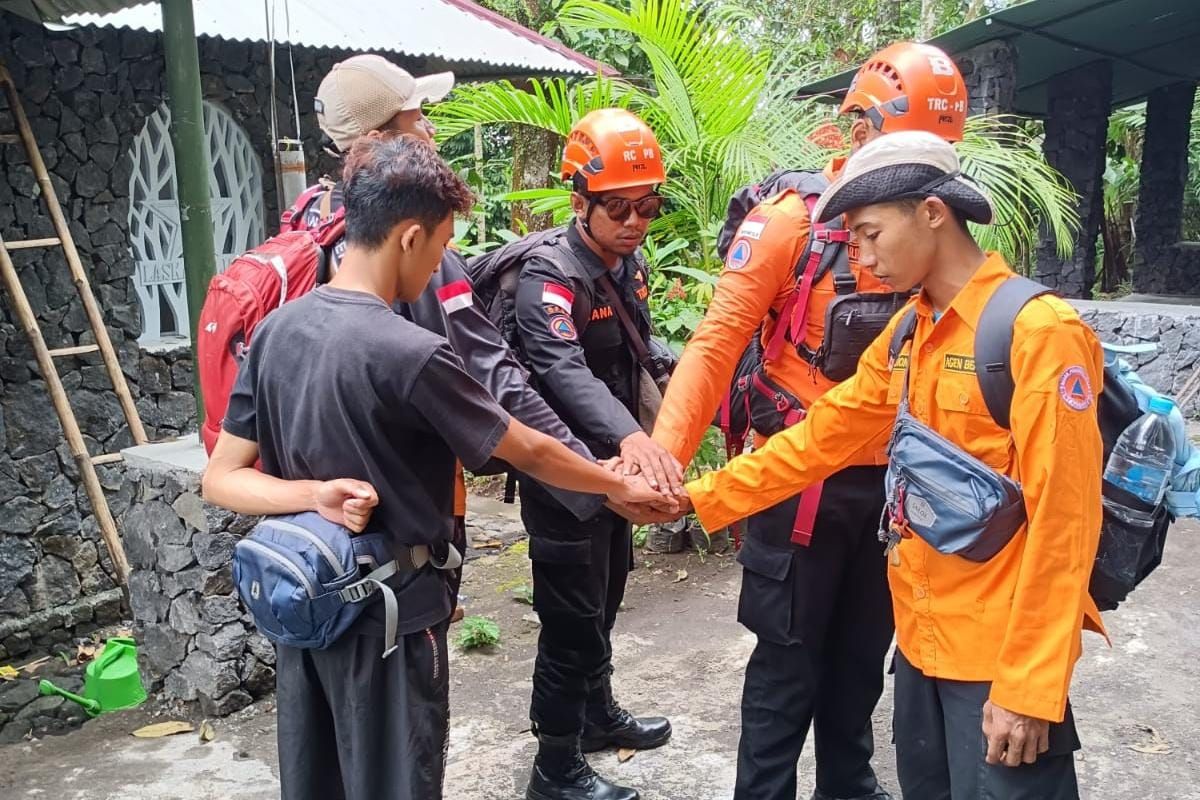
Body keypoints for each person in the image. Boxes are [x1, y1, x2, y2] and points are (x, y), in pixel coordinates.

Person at [202, 134, 674, 800]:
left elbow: (221, 478)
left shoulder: (280, 329)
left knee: (319, 779)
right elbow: (525, 447)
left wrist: (312, 496)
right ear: (409, 237)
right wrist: (616, 484)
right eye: (443, 243)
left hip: (304, 607)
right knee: (400, 779)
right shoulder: (411, 350)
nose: (445, 269)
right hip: (391, 615)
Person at [677, 130, 1105, 800]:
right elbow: (822, 436)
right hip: (921, 646)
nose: (865, 260)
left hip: (996, 661)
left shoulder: (1037, 333)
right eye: (854, 241)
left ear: (932, 212)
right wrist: (698, 497)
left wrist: (1030, 687)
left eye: (872, 234)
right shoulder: (910, 331)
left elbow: (1065, 524)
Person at [649, 41, 970, 800]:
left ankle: (848, 785)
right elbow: (716, 343)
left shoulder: (934, 232)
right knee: (786, 670)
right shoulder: (792, 224)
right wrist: (664, 461)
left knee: (864, 659)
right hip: (796, 488)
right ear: (859, 133)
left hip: (896, 492)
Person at [290, 54, 617, 614]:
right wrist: (590, 477)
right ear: (379, 140)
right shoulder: (414, 248)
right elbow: (495, 377)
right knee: (410, 673)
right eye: (418, 118)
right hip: (399, 518)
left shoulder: (310, 223)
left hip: (313, 521)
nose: (432, 129)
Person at [510, 108, 681, 800]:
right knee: (570, 620)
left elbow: (636, 349)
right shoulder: (547, 274)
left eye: (648, 206)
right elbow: (561, 368)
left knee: (605, 598)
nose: (635, 221)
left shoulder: (625, 264)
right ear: (579, 199)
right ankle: (553, 765)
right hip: (563, 478)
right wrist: (632, 437)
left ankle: (596, 717)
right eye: (618, 207)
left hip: (615, 470)